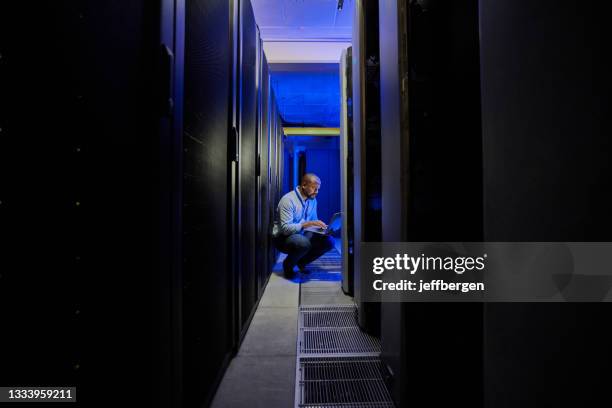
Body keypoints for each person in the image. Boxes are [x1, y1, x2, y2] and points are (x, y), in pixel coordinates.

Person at [273, 173, 335, 278]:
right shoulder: (288, 200)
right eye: (314, 188)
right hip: (283, 237)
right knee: (303, 243)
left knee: (329, 241)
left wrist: (322, 229)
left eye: (318, 189)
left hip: (301, 233)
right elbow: (285, 229)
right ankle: (288, 265)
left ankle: (301, 262)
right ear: (304, 185)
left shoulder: (312, 200)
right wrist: (308, 223)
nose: (317, 192)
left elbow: (313, 221)